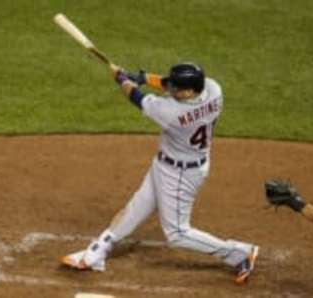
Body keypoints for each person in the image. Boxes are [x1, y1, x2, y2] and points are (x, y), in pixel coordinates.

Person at [60, 62, 259, 284]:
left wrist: (122, 79)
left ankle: (239, 253)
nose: (171, 90)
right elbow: (167, 84)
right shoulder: (213, 89)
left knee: (177, 234)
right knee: (137, 206)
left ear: (190, 91)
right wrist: (143, 77)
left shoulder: (171, 112)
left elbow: (135, 96)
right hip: (171, 164)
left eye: (176, 88)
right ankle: (99, 250)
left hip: (181, 175)